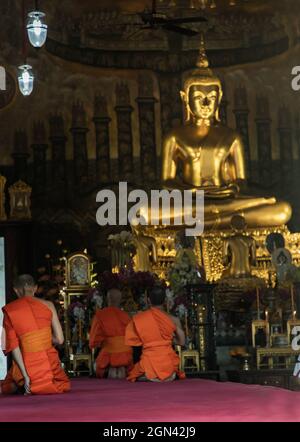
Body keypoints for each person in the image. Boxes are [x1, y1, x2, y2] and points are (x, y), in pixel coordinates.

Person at [1, 274, 70, 395]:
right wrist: (43, 339)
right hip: (49, 364)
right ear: (35, 288)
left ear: (16, 290)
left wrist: (26, 375)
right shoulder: (49, 305)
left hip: (27, 364)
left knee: (9, 386)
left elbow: (13, 346)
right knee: (58, 383)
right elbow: (60, 339)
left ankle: (23, 384)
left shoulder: (10, 310)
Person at [125, 285, 186, 382]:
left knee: (134, 373)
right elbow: (182, 342)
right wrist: (167, 340)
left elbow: (133, 343)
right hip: (168, 367)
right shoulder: (174, 320)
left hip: (148, 366)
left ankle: (152, 374)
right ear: (165, 300)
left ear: (148, 300)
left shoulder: (140, 318)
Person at [89, 288, 132, 379]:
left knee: (98, 366)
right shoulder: (126, 316)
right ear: (120, 300)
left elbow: (94, 340)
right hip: (126, 354)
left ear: (107, 299)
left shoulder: (100, 315)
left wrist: (97, 344)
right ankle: (122, 367)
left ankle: (109, 369)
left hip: (108, 354)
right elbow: (133, 338)